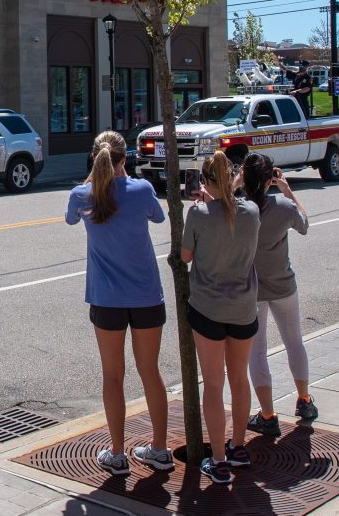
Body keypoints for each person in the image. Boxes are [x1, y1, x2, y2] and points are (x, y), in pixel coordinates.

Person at [65, 131, 172, 476]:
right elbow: (159, 218)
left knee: (113, 375)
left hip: (106, 299)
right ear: (125, 159)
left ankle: (116, 452)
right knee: (150, 372)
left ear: (94, 159)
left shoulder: (83, 194)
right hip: (145, 296)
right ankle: (159, 448)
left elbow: (70, 218)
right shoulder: (142, 190)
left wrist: (96, 179)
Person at [182, 151, 262, 485]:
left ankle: (217, 459)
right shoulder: (252, 212)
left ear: (204, 181)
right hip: (243, 308)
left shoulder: (198, 215)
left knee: (213, 383)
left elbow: (185, 256)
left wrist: (202, 206)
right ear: (230, 178)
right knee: (238, 378)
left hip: (208, 308)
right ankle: (239, 446)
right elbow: (231, 208)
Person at [239, 154, 317, 438]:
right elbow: (305, 224)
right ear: (270, 178)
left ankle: (268, 414)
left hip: (253, 289)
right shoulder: (283, 207)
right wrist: (287, 190)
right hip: (284, 285)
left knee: (256, 353)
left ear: (245, 179)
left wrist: (238, 182)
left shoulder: (241, 209)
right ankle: (304, 400)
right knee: (294, 341)